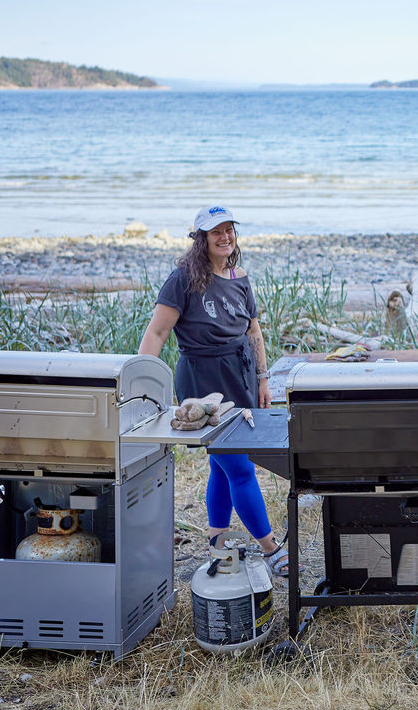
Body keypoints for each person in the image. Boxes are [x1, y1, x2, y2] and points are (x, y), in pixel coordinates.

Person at [138, 205, 293, 576]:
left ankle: (217, 540)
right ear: (201, 239)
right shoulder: (183, 280)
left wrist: (262, 379)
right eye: (216, 232)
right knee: (239, 467)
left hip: (239, 377)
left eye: (229, 230)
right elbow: (157, 333)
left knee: (221, 466)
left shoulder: (240, 277)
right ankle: (270, 548)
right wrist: (139, 384)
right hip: (202, 384)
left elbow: (253, 332)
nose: (225, 237)